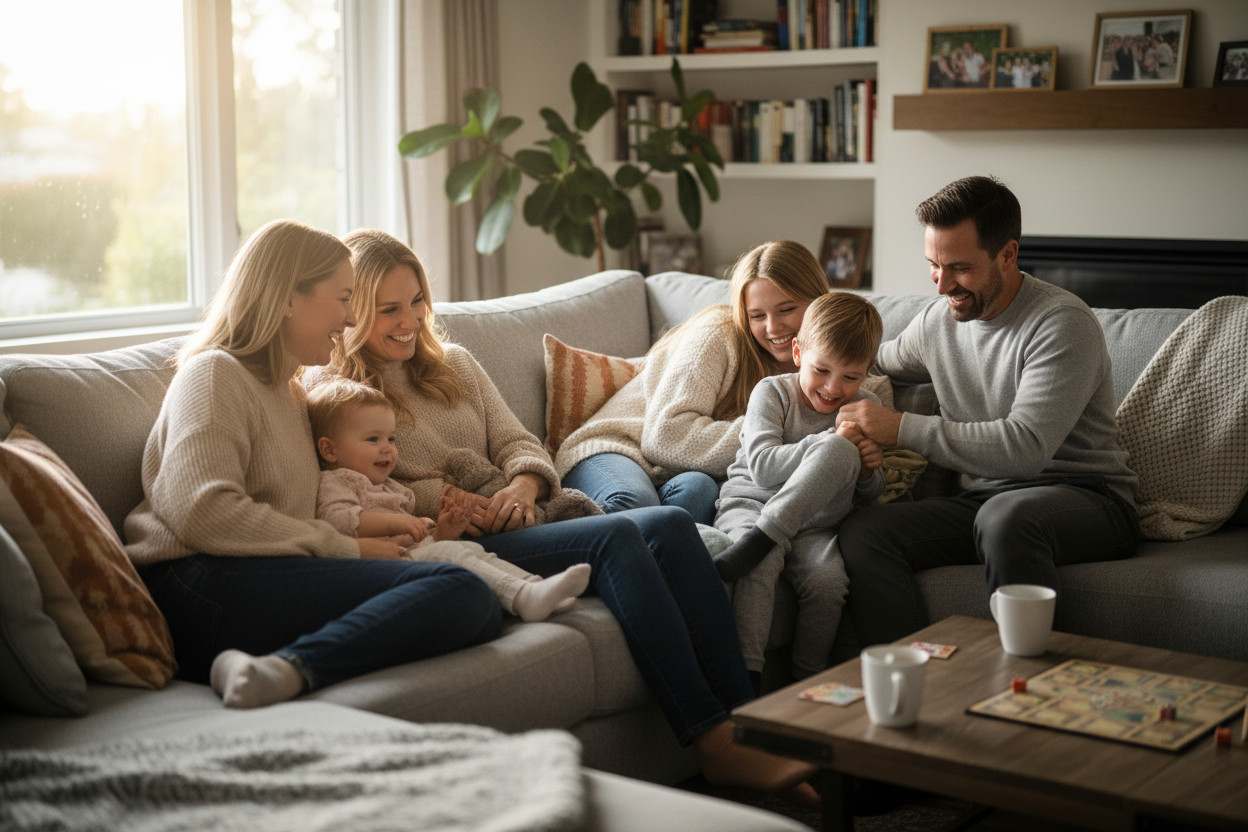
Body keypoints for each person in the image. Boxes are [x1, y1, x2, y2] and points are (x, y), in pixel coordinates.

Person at [311, 228, 819, 804]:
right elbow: (358, 486)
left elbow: (518, 443)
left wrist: (524, 486)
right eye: (388, 309)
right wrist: (457, 504)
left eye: (418, 300)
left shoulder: (455, 363)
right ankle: (713, 739)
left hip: (522, 515)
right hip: (454, 541)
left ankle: (746, 726)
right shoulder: (335, 393)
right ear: (352, 312)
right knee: (620, 538)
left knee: (672, 526)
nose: (409, 319)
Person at [124, 219, 502, 711]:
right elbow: (203, 512)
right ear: (286, 298)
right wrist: (345, 548)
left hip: (265, 573)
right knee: (461, 591)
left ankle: (274, 666)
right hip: (200, 584)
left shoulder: (292, 393)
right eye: (343, 299)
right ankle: (292, 670)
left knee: (472, 596)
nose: (349, 320)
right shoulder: (216, 373)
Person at [834, 176, 1141, 648]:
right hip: (984, 503)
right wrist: (805, 353)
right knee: (864, 533)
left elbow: (1025, 449)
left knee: (1006, 518)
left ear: (1008, 254)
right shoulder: (939, 322)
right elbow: (870, 358)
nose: (941, 285)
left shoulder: (1061, 324)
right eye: (933, 266)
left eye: (958, 267)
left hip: (1087, 498)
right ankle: (918, 674)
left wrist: (898, 428)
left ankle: (1030, 693)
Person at [556, 240, 829, 525]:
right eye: (757, 316)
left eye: (786, 310)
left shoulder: (826, 363)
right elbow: (666, 437)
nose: (772, 328)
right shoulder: (719, 334)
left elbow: (871, 375)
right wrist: (781, 432)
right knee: (634, 504)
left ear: (819, 302)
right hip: (618, 449)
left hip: (677, 475)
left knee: (699, 497)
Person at [307, 377, 591, 622]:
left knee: (473, 552)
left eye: (391, 440)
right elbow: (337, 520)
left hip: (408, 560)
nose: (387, 450)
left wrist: (444, 530)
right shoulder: (339, 481)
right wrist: (397, 523)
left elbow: (425, 546)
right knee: (453, 555)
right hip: (378, 570)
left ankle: (534, 587)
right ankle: (524, 597)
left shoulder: (391, 488)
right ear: (329, 450)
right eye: (373, 440)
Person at [712, 292, 886, 681]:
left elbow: (870, 496)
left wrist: (867, 471)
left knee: (829, 585)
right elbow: (761, 467)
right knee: (762, 558)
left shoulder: (866, 406)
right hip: (753, 506)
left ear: (868, 370)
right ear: (797, 353)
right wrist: (826, 444)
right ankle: (747, 678)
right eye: (821, 370)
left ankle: (806, 681)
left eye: (851, 376)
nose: (832, 387)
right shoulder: (772, 393)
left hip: (817, 524)